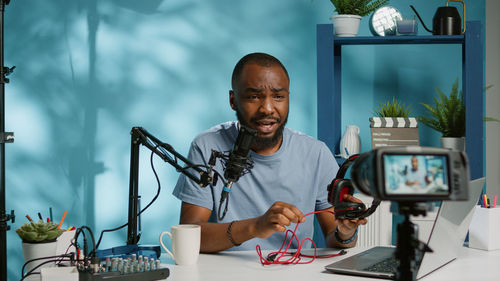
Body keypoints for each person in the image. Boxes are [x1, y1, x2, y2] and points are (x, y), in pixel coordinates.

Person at [173, 52, 367, 253]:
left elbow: (334, 238)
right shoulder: (207, 146)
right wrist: (255, 227)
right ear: (233, 100)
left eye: (278, 96)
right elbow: (190, 238)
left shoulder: (315, 153)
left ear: (288, 98)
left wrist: (345, 233)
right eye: (254, 96)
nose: (267, 108)